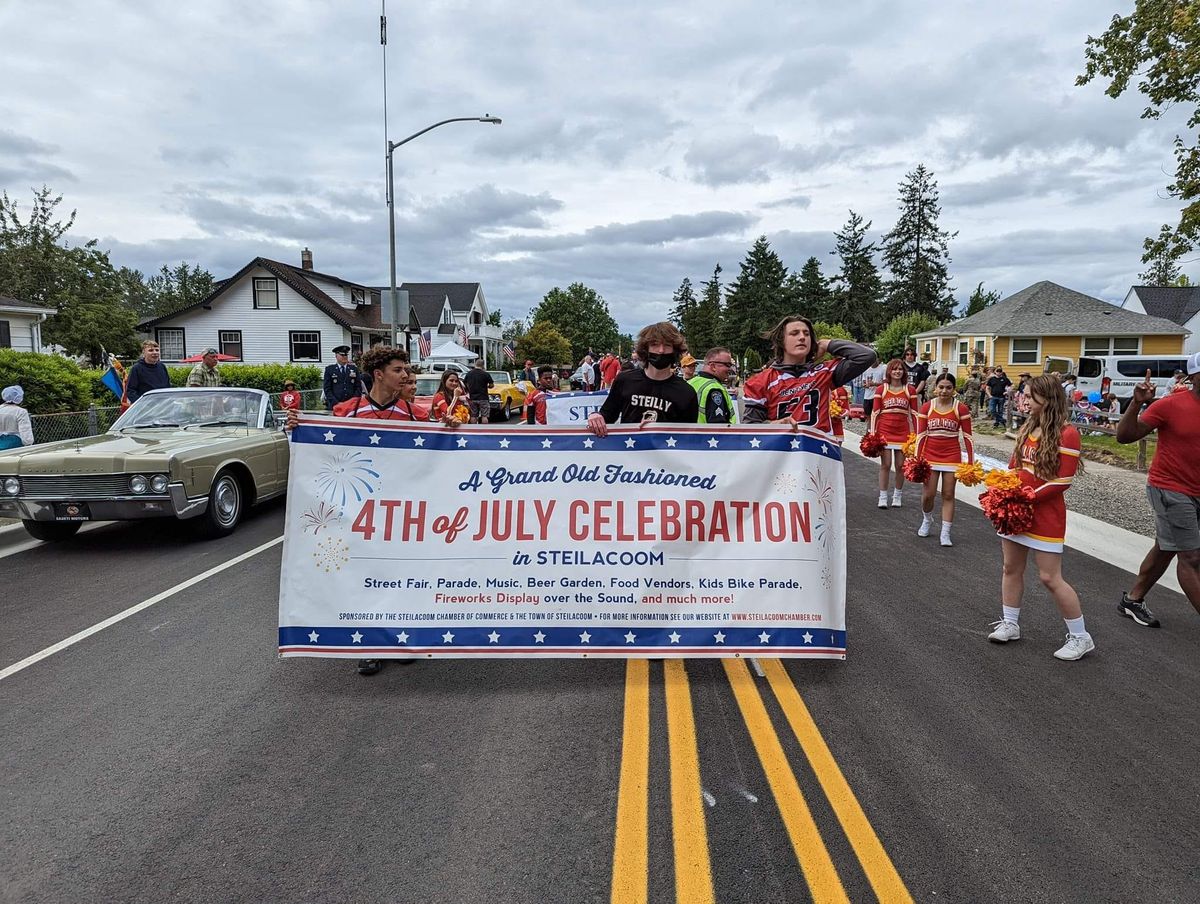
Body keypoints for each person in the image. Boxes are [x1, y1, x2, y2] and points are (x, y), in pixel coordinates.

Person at [286, 345, 458, 677]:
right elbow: (317, 448)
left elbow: (439, 455)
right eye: (398, 370)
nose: (406, 375)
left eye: (406, 370)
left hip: (402, 514)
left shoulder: (415, 415)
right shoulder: (347, 412)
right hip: (360, 513)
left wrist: (449, 430)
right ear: (379, 374)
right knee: (366, 578)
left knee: (399, 576)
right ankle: (368, 645)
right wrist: (295, 426)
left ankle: (398, 639)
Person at [987, 374, 1092, 660]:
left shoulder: (1067, 433)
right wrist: (999, 485)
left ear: (1047, 398)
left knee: (1050, 577)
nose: (1024, 400)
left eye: (1031, 396)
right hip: (1016, 510)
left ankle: (1081, 637)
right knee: (1011, 568)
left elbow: (1063, 481)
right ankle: (1010, 623)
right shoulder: (1027, 427)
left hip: (1046, 513)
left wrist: (1029, 497)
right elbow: (1013, 468)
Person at [1114, 356, 1200, 625]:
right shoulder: (1170, 405)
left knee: (1167, 546)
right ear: (1194, 377)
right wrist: (1137, 403)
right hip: (1170, 488)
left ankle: (1133, 600)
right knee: (1192, 556)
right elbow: (1125, 436)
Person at [742, 316, 875, 432]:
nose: (802, 337)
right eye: (794, 333)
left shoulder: (825, 372)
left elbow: (866, 356)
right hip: (781, 455)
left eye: (806, 334)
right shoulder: (761, 381)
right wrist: (776, 424)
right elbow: (749, 427)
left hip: (818, 455)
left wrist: (825, 344)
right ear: (781, 340)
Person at [587, 322, 699, 434]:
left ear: (675, 350)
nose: (661, 350)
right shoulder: (625, 380)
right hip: (630, 448)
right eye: (655, 344)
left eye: (667, 345)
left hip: (666, 449)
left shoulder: (686, 392)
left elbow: (687, 438)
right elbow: (607, 416)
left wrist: (656, 429)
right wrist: (595, 416)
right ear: (646, 349)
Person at [915, 373, 974, 546]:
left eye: (948, 387)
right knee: (929, 495)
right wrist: (918, 460)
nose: (944, 391)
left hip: (951, 456)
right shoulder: (926, 407)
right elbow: (921, 435)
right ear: (935, 388)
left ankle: (945, 532)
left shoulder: (960, 408)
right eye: (941, 387)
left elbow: (968, 437)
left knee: (948, 494)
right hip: (930, 456)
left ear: (953, 389)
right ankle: (927, 519)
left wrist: (970, 462)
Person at [870, 358, 918, 508]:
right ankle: (882, 496)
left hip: (902, 432)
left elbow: (915, 414)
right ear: (889, 371)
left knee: (900, 465)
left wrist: (916, 435)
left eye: (900, 369)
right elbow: (875, 413)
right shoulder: (881, 389)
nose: (897, 372)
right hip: (885, 431)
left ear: (904, 372)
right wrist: (873, 434)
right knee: (886, 464)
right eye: (894, 369)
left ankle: (897, 495)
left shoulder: (910, 390)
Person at [688, 347, 737, 425]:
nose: (730, 369)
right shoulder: (714, 389)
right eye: (727, 365)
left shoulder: (691, 382)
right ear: (713, 366)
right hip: (708, 436)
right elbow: (718, 428)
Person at [322, 345, 361, 411]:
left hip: (351, 406)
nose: (344, 357)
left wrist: (351, 402)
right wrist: (336, 403)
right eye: (342, 355)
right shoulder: (330, 370)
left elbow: (358, 387)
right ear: (336, 356)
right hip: (335, 406)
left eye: (346, 355)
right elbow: (327, 389)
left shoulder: (354, 369)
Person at [463, 359, 494, 424]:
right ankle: (484, 430)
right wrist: (487, 386)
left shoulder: (469, 373)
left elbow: (464, 383)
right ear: (483, 365)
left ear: (475, 364)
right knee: (484, 416)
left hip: (472, 397)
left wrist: (469, 389)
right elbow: (491, 385)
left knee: (473, 415)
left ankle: (473, 430)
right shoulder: (485, 374)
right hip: (483, 397)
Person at [861, 357, 886, 422]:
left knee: (877, 415)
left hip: (877, 395)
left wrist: (874, 384)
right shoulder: (866, 369)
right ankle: (869, 430)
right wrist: (864, 385)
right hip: (867, 395)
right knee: (868, 415)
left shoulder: (883, 368)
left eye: (875, 358)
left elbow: (885, 383)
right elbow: (863, 381)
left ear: (878, 359)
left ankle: (876, 429)